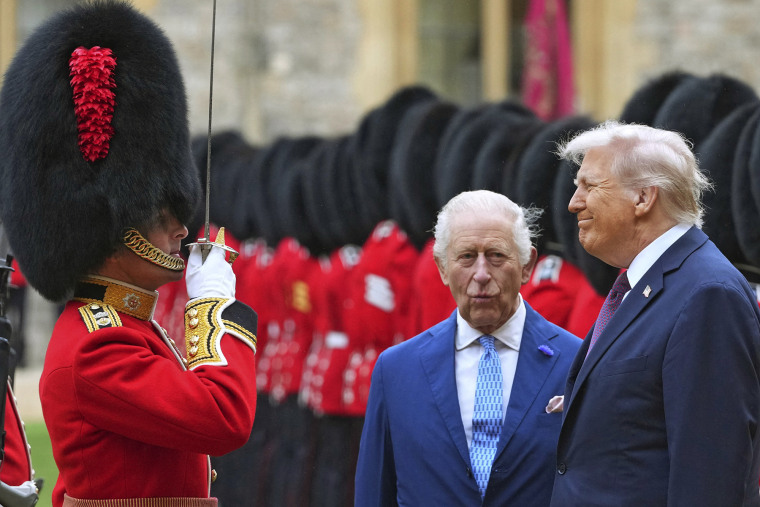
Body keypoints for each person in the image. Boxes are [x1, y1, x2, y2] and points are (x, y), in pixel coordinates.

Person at [0, 2, 258, 506]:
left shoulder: (128, 326)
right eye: (161, 215)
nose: (181, 228)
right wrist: (213, 308)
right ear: (114, 231)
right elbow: (223, 417)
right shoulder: (99, 348)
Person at [551, 120, 760, 506]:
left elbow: (710, 476)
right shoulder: (645, 285)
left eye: (589, 186)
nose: (573, 202)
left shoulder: (707, 294)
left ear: (643, 198)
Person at [354, 189, 581, 506]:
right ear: (442, 268)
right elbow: (374, 493)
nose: (482, 274)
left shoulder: (577, 362)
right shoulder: (396, 370)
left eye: (497, 256)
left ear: (528, 265)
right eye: (466, 257)